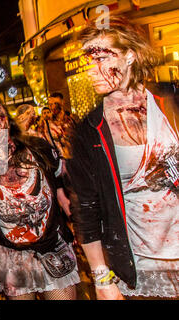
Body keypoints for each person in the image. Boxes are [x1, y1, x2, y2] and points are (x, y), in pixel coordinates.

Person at [66, 16, 178, 299]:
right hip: (140, 268)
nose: (91, 70)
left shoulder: (171, 102)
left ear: (130, 55)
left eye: (101, 58)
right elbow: (86, 210)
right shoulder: (89, 131)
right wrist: (102, 278)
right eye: (88, 60)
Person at [0, 94, 79, 300]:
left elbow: (61, 190)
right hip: (11, 258)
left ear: (8, 120)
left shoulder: (39, 148)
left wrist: (78, 226)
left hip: (53, 248)